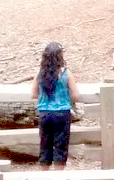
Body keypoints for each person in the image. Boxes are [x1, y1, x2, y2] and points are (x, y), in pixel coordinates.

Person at [30, 42, 80, 171]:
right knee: (60, 145)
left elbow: (33, 94)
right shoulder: (66, 73)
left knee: (45, 145)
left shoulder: (40, 74)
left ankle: (44, 179)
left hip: (44, 113)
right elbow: (75, 95)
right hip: (62, 113)